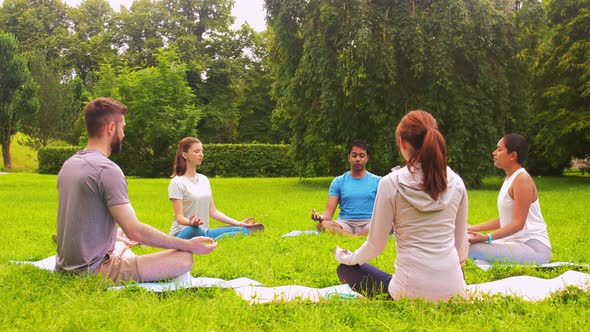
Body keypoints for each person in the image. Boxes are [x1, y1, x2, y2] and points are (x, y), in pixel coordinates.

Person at [55, 97, 217, 284]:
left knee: (120, 237)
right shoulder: (107, 170)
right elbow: (135, 232)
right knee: (184, 258)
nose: (123, 134)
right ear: (111, 128)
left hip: (65, 265)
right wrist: (188, 245)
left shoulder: (69, 165)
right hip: (94, 270)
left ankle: (119, 248)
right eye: (122, 128)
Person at [334, 110, 469, 302]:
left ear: (403, 143)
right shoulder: (457, 183)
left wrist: (347, 258)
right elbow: (461, 250)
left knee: (346, 269)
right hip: (454, 290)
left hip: (407, 292)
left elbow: (375, 246)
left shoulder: (391, 183)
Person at [468, 134, 551, 265]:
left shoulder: (522, 179)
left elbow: (518, 223)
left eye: (499, 149)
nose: (494, 153)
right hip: (514, 243)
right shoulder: (510, 179)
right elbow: (505, 219)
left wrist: (487, 237)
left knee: (471, 248)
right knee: (466, 241)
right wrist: (471, 228)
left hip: (534, 248)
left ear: (513, 155)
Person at [168, 137, 264, 240]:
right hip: (182, 233)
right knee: (194, 229)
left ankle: (210, 239)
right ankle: (211, 240)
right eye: (196, 151)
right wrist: (190, 222)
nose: (201, 154)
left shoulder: (204, 179)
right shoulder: (177, 182)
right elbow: (179, 218)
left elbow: (213, 212)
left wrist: (239, 223)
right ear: (185, 155)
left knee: (244, 231)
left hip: (204, 231)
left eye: (201, 151)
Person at [311, 140, 381, 236]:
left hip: (369, 223)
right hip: (345, 224)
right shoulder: (338, 181)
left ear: (367, 158)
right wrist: (320, 216)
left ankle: (349, 236)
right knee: (323, 224)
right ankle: (355, 237)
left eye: (361, 155)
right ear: (349, 157)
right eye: (354, 155)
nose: (357, 159)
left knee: (388, 225)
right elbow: (328, 212)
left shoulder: (378, 181)